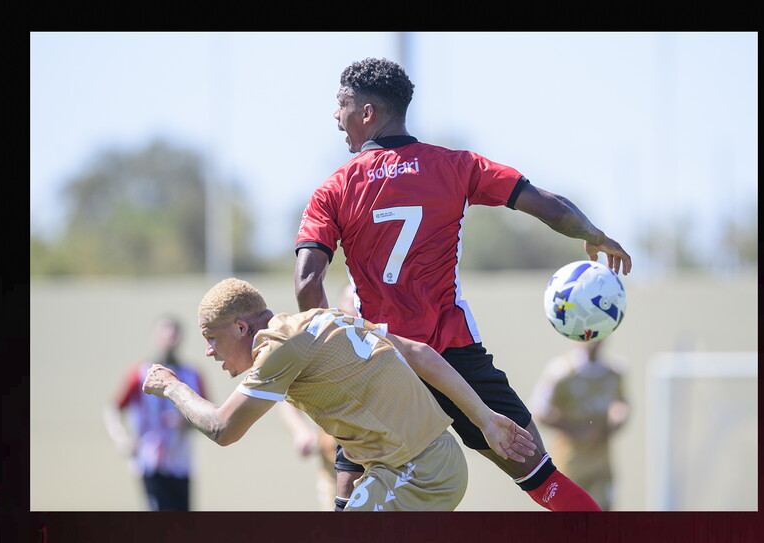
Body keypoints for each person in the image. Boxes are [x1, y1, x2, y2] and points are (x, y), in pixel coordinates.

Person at [294, 57, 632, 512]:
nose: (337, 117)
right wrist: (594, 234)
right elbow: (546, 206)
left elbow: (307, 282)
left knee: (349, 504)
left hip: (377, 361)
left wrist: (334, 359)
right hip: (456, 357)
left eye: (342, 105)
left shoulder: (333, 189)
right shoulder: (455, 166)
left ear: (368, 113)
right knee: (541, 478)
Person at [141, 277, 537, 511]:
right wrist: (483, 418)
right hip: (414, 467)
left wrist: (172, 387)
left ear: (242, 328)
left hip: (420, 472)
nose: (209, 351)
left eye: (212, 338)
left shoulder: (281, 347)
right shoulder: (322, 318)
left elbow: (223, 428)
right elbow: (418, 352)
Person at [103, 314, 208, 511]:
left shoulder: (192, 374)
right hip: (150, 461)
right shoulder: (139, 373)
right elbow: (112, 410)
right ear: (155, 336)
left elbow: (210, 416)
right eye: (164, 334)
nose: (169, 340)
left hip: (181, 462)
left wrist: (188, 422)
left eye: (174, 335)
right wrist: (122, 439)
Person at [279, 284, 356, 510]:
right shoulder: (327, 350)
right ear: (339, 307)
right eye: (352, 302)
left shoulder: (386, 347)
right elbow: (289, 401)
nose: (356, 309)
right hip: (335, 469)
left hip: (381, 467)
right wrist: (301, 431)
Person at [528, 339, 630, 510]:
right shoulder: (561, 372)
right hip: (570, 465)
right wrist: (573, 429)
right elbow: (538, 411)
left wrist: (619, 417)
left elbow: (622, 404)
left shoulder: (615, 372)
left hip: (601, 464)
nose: (592, 341)